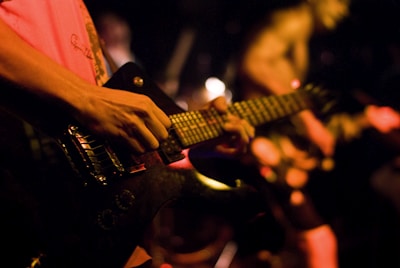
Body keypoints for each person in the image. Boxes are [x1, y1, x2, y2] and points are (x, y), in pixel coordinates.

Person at [0, 1, 255, 267]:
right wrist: (87, 99)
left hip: (83, 217)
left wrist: (192, 132)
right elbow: (90, 102)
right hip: (24, 182)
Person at [230, 0, 350, 267]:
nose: (344, 9)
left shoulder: (298, 29)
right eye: (340, 0)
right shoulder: (292, 21)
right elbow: (252, 62)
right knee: (320, 241)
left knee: (286, 244)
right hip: (260, 142)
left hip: (265, 143)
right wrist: (307, 120)